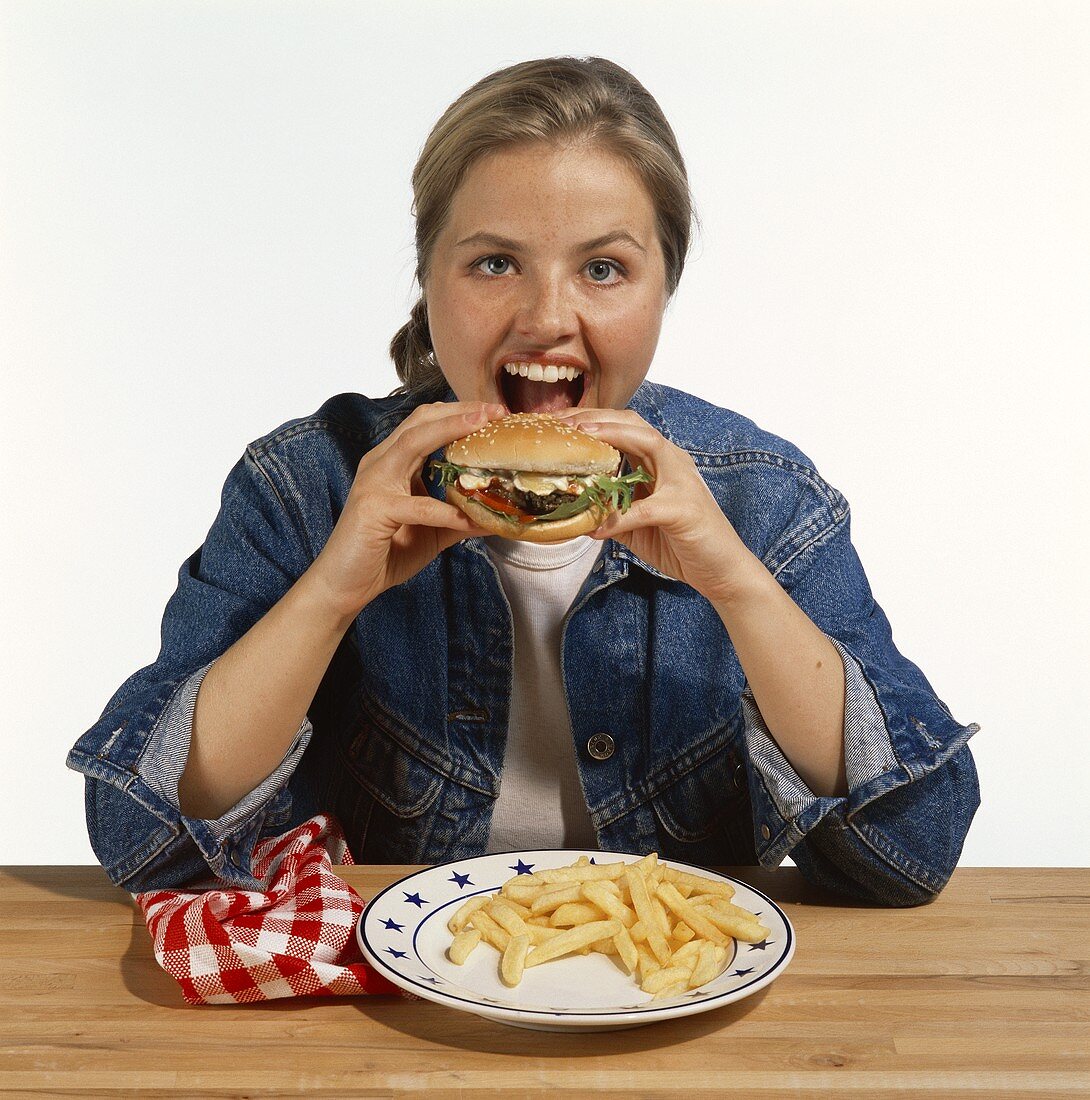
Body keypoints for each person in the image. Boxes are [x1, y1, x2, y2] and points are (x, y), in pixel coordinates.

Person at [68, 56, 979, 905]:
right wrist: (331, 592)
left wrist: (736, 583)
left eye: (604, 269)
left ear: (665, 289)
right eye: (495, 263)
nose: (548, 319)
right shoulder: (306, 484)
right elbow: (144, 846)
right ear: (428, 281)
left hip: (669, 1016)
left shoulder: (763, 501)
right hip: (390, 1014)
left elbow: (913, 852)